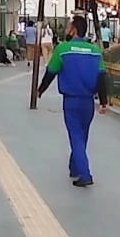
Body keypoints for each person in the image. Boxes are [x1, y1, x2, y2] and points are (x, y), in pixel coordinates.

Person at [38, 15, 108, 187]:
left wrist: (40, 90)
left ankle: (85, 174)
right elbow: (102, 77)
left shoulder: (63, 49)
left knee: (75, 136)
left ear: (74, 30)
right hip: (88, 102)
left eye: (69, 27)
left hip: (71, 101)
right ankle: (74, 167)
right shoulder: (95, 51)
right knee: (82, 135)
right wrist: (104, 101)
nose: (67, 30)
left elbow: (51, 72)